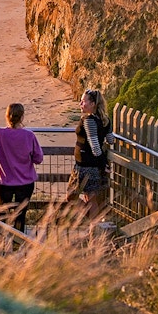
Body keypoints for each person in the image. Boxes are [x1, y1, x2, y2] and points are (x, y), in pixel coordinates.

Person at [0, 103, 43, 233]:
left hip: (4, 180)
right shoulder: (29, 135)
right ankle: (17, 244)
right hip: (25, 181)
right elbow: (38, 158)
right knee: (20, 215)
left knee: (2, 213)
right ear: (22, 117)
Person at [66, 88, 114, 219]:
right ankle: (93, 227)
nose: (80, 104)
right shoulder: (106, 120)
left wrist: (104, 163)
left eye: (83, 102)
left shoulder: (89, 120)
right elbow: (111, 140)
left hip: (86, 165)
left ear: (93, 104)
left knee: (71, 196)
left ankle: (91, 224)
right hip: (93, 165)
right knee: (90, 198)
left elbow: (95, 146)